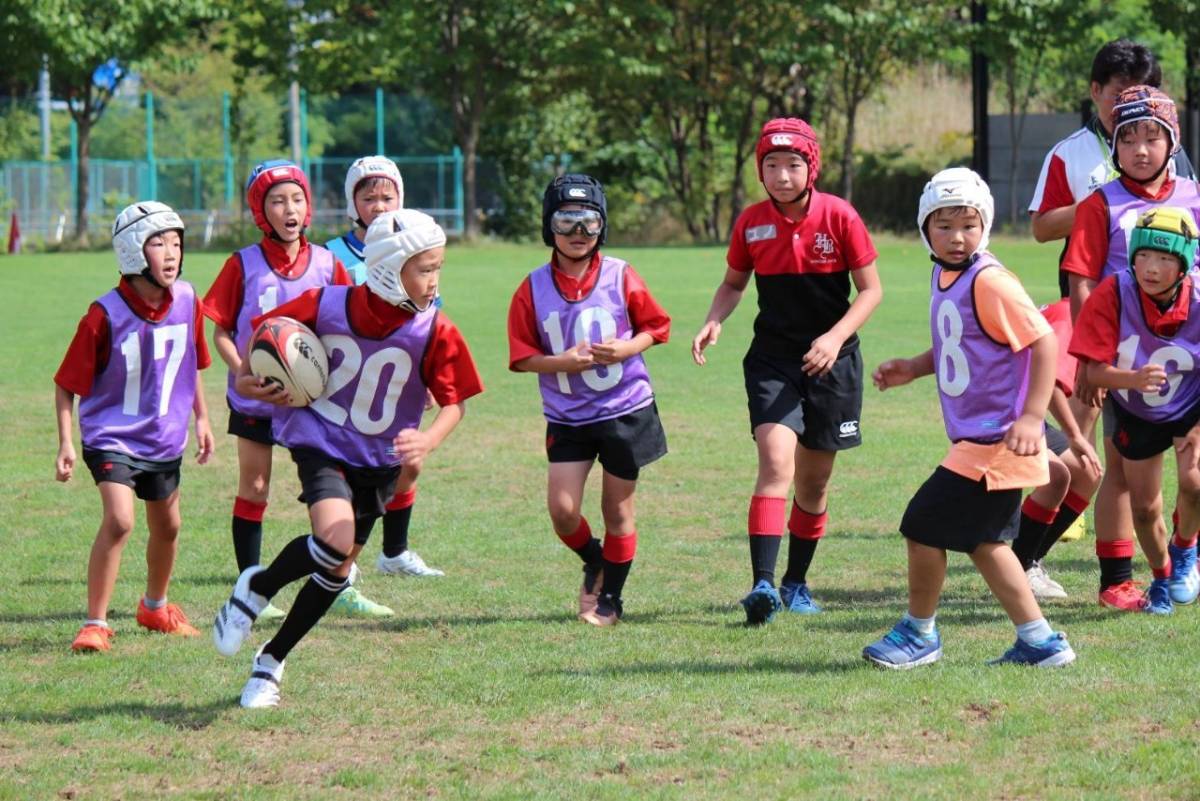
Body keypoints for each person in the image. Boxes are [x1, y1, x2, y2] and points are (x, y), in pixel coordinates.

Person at [213, 209, 483, 707]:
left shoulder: (435, 329)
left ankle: (269, 660)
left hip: (378, 460)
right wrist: (249, 378)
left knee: (336, 572)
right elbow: (267, 331)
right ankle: (258, 591)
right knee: (334, 541)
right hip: (322, 441)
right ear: (388, 268)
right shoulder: (326, 302)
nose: (435, 281)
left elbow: (455, 402)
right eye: (425, 269)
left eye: (438, 268)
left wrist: (428, 441)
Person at [863, 168, 1074, 669]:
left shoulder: (990, 280)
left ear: (986, 227)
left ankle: (919, 634)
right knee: (985, 543)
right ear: (925, 229)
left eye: (969, 225)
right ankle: (1040, 641)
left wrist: (1031, 417)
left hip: (996, 439)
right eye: (944, 226)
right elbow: (963, 341)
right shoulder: (946, 274)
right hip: (978, 439)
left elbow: (1044, 341)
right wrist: (916, 367)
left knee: (922, 524)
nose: (957, 237)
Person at [691, 118, 882, 624]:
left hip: (834, 363)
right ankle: (762, 585)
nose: (781, 175)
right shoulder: (751, 222)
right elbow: (733, 283)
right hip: (774, 361)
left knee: (814, 485)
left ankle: (795, 583)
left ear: (810, 168)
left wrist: (834, 338)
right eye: (771, 165)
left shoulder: (839, 216)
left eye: (792, 165)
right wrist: (714, 319)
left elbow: (871, 290)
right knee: (776, 465)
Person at [203, 160, 391, 619]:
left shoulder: (327, 263)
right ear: (260, 210)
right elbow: (221, 330)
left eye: (297, 199)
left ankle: (339, 582)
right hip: (256, 399)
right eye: (277, 201)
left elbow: (348, 323)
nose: (289, 209)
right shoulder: (242, 264)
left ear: (308, 207)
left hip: (314, 401)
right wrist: (242, 371)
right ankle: (251, 587)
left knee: (339, 491)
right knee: (255, 487)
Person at [507, 174, 671, 627]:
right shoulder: (532, 287)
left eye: (589, 222)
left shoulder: (620, 273)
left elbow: (656, 327)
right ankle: (596, 559)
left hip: (625, 411)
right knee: (563, 512)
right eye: (566, 221)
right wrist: (561, 362)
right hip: (568, 418)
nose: (578, 232)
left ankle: (610, 601)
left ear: (602, 226)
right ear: (549, 226)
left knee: (617, 510)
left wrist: (625, 349)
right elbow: (521, 357)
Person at [1061, 85, 1200, 610]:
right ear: (1114, 145)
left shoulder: (1195, 195)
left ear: (1172, 142)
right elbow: (1080, 280)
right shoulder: (1101, 202)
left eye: (1151, 138)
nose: (1140, 150)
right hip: (1126, 360)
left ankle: (1184, 552)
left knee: (1192, 473)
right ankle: (1118, 580)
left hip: (1190, 356)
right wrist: (1087, 358)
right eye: (1128, 139)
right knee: (1121, 474)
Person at [55, 202, 215, 652]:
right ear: (132, 250)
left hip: (163, 439)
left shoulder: (189, 300)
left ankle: (155, 607)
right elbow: (66, 385)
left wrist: (203, 417)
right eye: (159, 243)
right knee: (120, 520)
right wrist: (66, 443)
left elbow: (192, 364)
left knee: (169, 527)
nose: (172, 253)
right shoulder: (103, 314)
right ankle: (95, 623)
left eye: (177, 243)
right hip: (111, 437)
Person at [325, 155, 445, 579]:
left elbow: (430, 316)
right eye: (368, 197)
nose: (378, 205)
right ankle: (342, 555)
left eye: (387, 197)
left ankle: (394, 552)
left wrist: (428, 377)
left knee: (408, 461)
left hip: (398, 375)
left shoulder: (415, 247)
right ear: (352, 202)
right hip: (348, 379)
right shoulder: (331, 255)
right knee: (348, 470)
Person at [1009, 299, 1103, 599]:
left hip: (1024, 410)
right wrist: (1075, 435)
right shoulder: (1069, 316)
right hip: (1002, 414)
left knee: (1087, 473)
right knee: (1057, 475)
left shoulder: (1081, 312)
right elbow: (1049, 383)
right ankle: (1020, 567)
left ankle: (1029, 560)